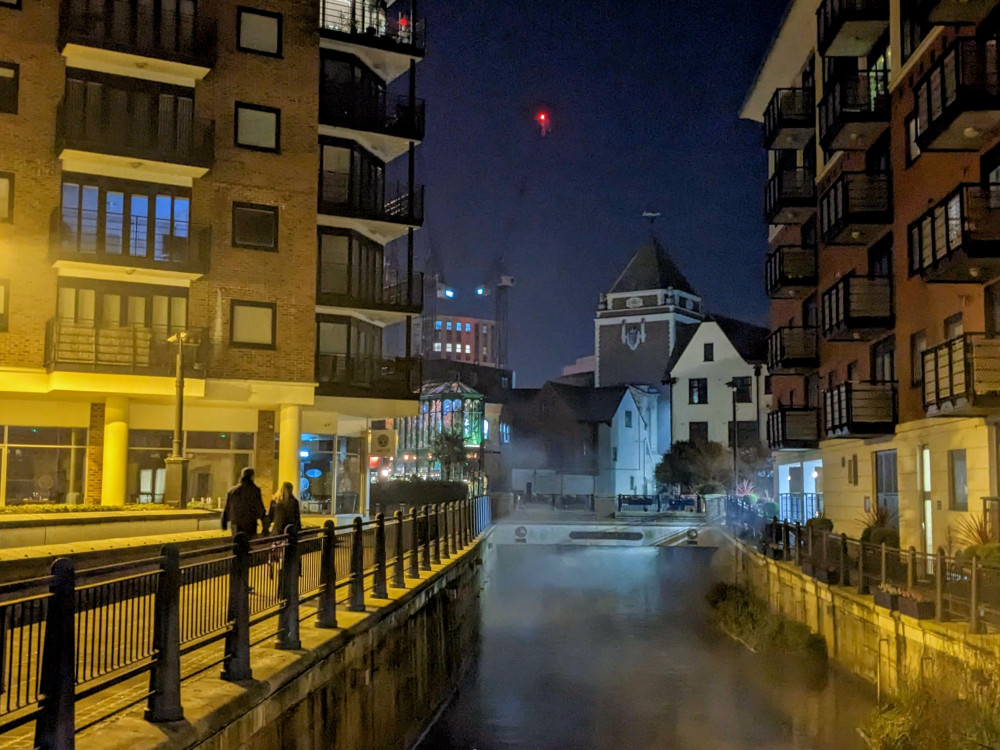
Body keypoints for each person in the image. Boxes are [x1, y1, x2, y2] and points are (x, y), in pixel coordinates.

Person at [222, 467, 266, 539]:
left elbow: (227, 507)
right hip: (250, 523)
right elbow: (259, 506)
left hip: (235, 523)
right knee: (247, 543)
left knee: (237, 543)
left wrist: (224, 522)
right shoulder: (255, 490)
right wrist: (263, 520)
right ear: (252, 476)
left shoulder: (233, 490)